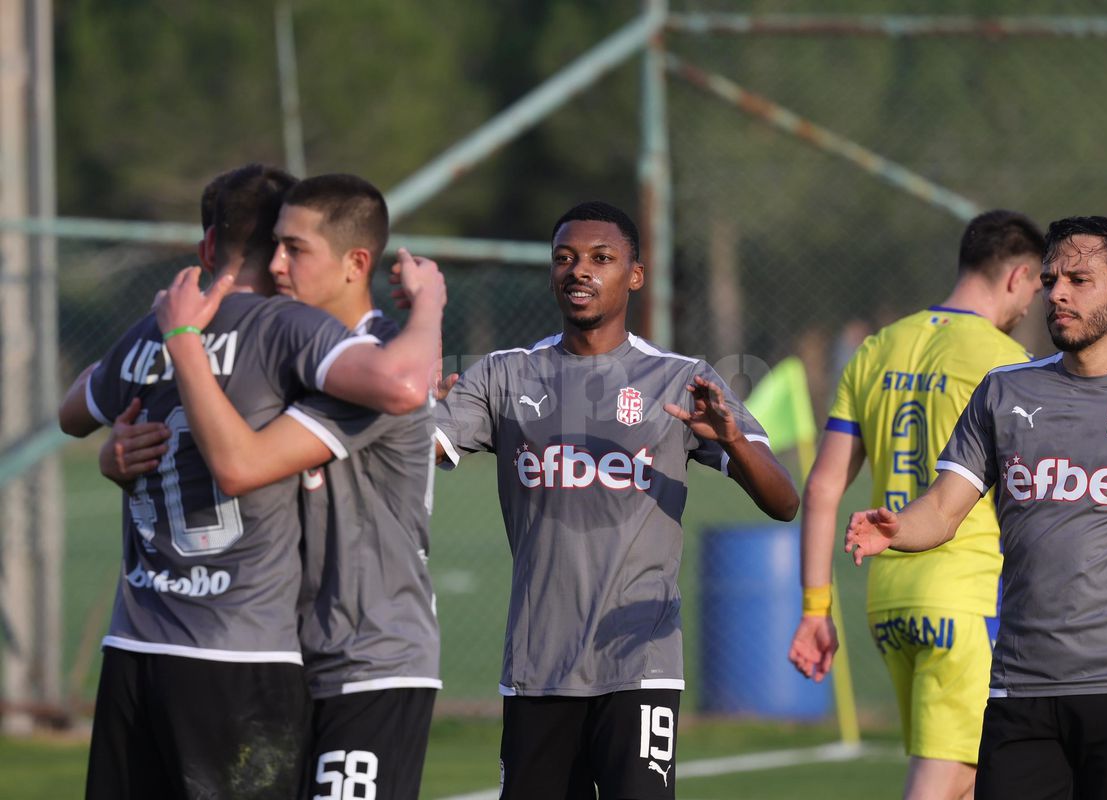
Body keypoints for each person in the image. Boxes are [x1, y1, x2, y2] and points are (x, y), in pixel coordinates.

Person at [57, 164, 445, 799]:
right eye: (279, 247)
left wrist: (431, 304)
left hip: (367, 658)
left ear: (355, 262)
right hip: (276, 648)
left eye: (298, 249)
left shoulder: (366, 357)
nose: (284, 266)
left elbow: (235, 461)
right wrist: (118, 450)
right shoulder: (292, 341)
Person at [432, 200, 799, 800]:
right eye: (565, 258)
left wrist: (733, 438)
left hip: (640, 661)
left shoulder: (681, 379)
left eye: (601, 258)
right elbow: (427, 452)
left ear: (634, 275)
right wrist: (407, 403)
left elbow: (784, 502)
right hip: (537, 665)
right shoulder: (504, 376)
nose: (580, 270)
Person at [845, 216, 1107, 800]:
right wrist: (897, 527)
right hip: (1019, 696)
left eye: (1080, 279)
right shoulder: (1003, 391)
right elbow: (941, 510)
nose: (1057, 292)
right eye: (1051, 277)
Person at [788, 210, 1045, 799]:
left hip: (890, 602)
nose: (1033, 304)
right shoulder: (1008, 363)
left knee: (971, 780)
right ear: (1017, 276)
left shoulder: (879, 347)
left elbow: (824, 486)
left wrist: (815, 607)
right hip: (967, 598)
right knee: (944, 779)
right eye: (1035, 287)